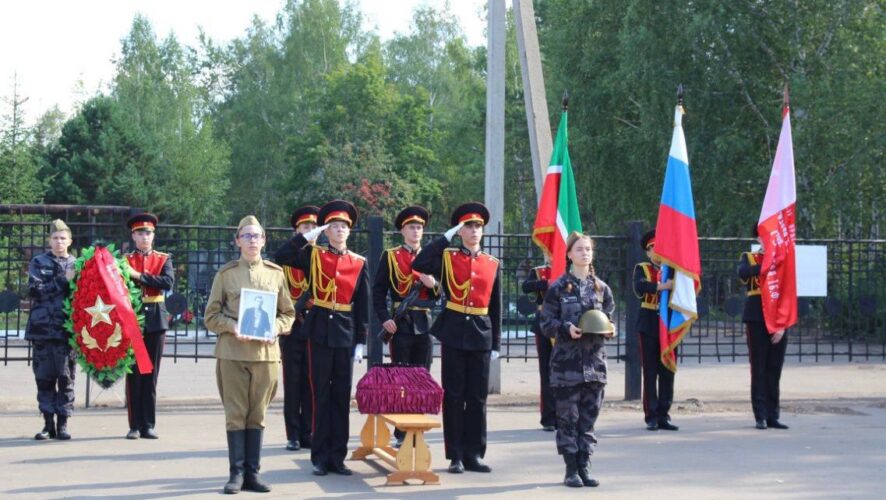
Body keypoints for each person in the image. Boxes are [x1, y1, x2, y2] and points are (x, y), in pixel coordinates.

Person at [273, 200, 369, 477]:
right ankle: (319, 457)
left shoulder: (359, 262)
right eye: (334, 226)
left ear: (350, 232)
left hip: (344, 333)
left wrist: (361, 340)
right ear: (326, 232)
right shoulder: (313, 255)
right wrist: (307, 236)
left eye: (344, 227)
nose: (339, 231)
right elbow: (281, 256)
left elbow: (362, 304)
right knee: (320, 395)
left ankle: (337, 456)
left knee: (341, 396)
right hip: (317, 331)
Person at [204, 215, 295, 494]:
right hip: (232, 353)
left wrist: (276, 329)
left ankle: (253, 473)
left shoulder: (276, 274)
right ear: (237, 241)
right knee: (235, 414)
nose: (252, 241)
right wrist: (232, 326)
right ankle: (236, 474)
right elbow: (210, 316)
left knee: (258, 415)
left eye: (257, 236)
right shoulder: (226, 274)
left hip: (265, 355)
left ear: (264, 240)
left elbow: (288, 314)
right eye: (247, 236)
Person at [412, 201, 501, 474]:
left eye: (478, 226)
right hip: (453, 331)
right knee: (453, 395)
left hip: (481, 333)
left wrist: (496, 343)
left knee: (477, 397)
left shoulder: (492, 263)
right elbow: (419, 262)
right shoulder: (447, 257)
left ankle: (474, 453)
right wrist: (445, 237)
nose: (474, 231)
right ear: (460, 231)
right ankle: (456, 456)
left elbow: (495, 306)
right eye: (468, 226)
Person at [540, 232, 614, 488]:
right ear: (569, 254)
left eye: (588, 249)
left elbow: (610, 317)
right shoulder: (558, 288)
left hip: (594, 365)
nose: (585, 253)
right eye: (580, 249)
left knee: (588, 420)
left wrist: (611, 329)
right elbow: (546, 323)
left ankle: (585, 465)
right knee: (567, 419)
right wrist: (566, 329)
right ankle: (571, 469)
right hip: (566, 367)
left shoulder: (602, 288)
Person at [372, 205, 439, 447]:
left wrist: (433, 284)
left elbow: (439, 295)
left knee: (422, 379)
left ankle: (417, 430)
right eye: (412, 227)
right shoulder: (391, 256)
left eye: (419, 227)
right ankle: (401, 432)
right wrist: (384, 318)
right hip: (400, 324)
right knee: (401, 379)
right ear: (403, 231)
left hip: (424, 323)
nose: (416, 231)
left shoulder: (432, 258)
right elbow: (378, 292)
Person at [124, 213, 174, 440]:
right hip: (133, 318)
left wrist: (139, 276)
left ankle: (148, 424)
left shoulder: (164, 258)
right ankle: (134, 424)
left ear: (154, 235)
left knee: (150, 373)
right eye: (141, 233)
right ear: (133, 236)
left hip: (155, 319)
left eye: (149, 233)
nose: (145, 237)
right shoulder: (125, 260)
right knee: (134, 373)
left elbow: (168, 282)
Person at [25, 219, 76, 441]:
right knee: (44, 378)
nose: (59, 242)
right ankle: (48, 424)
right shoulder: (39, 262)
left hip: (66, 330)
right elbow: (35, 291)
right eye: (55, 238)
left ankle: (63, 423)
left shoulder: (77, 264)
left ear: (70, 241)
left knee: (65, 378)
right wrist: (62, 280)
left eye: (63, 238)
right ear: (49, 241)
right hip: (43, 329)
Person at [275, 205, 319, 452]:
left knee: (311, 381)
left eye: (314, 227)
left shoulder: (322, 255)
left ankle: (308, 432)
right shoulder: (287, 258)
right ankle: (292, 434)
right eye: (305, 227)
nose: (310, 231)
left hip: (314, 325)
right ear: (296, 231)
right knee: (292, 381)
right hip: (291, 326)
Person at [739, 224, 789, 430]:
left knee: (774, 368)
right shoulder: (749, 258)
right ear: (758, 239)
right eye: (763, 237)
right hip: (757, 317)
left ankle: (773, 415)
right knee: (758, 367)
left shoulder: (784, 260)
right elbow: (742, 273)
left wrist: (782, 325)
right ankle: (760, 415)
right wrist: (766, 264)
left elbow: (788, 293)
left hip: (778, 318)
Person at [632, 229, 678, 431]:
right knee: (650, 371)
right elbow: (640, 287)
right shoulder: (642, 268)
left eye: (660, 247)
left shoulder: (675, 269)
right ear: (648, 252)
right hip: (649, 322)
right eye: (653, 249)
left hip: (669, 322)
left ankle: (664, 414)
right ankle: (651, 415)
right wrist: (662, 286)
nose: (657, 252)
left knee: (667, 371)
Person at [522, 260, 557, 432]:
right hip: (544, 322)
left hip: (568, 322)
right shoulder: (540, 271)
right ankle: (549, 417)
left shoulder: (573, 269)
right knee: (547, 370)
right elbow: (526, 287)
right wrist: (545, 283)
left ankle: (567, 415)